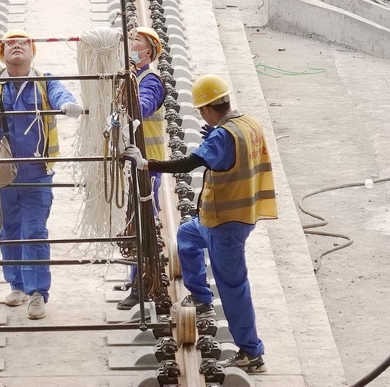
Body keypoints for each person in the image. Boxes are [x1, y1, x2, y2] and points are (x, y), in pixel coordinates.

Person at [144, 73, 276, 376]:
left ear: (205, 109)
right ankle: (202, 298)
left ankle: (252, 353)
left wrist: (146, 163)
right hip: (223, 217)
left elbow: (189, 163)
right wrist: (215, 139)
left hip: (226, 223)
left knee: (233, 287)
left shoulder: (223, 135)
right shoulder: (247, 124)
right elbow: (231, 156)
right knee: (187, 236)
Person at [0, 31, 82, 320]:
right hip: (0, 174)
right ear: (2, 53)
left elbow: (60, 93)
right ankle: (18, 285)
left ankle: (38, 293)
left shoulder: (44, 81)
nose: (16, 46)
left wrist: (66, 103)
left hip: (36, 173)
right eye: (10, 43)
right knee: (8, 230)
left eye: (22, 42)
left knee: (34, 230)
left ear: (32, 50)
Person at [117, 26, 167, 310]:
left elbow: (142, 107)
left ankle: (141, 286)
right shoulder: (133, 77)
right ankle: (135, 276)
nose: (131, 43)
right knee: (132, 222)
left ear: (148, 51)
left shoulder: (150, 81)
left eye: (137, 40)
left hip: (147, 165)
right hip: (134, 163)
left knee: (143, 223)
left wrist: (124, 90)